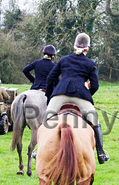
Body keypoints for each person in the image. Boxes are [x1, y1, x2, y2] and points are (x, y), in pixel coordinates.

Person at [45, 33, 109, 164]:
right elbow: (95, 85)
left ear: (74, 47)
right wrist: (87, 95)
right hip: (81, 95)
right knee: (95, 122)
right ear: (87, 49)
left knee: (45, 120)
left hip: (60, 95)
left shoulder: (64, 60)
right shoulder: (90, 64)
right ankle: (101, 153)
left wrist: (50, 97)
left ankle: (37, 149)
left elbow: (50, 79)